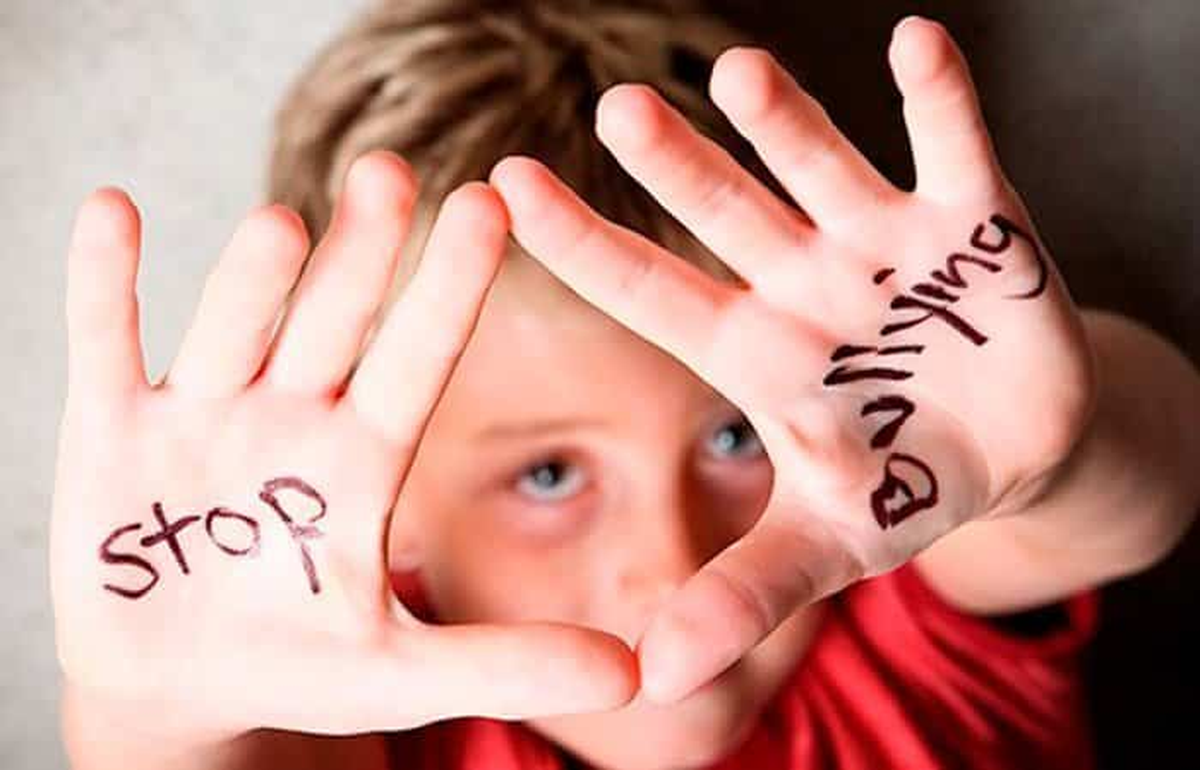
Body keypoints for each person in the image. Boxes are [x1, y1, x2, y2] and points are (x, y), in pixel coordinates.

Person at [50, 1, 1200, 769]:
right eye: (549, 473)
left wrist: (1058, 448)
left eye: (737, 437)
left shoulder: (905, 621)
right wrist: (152, 715)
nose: (673, 557)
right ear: (388, 511)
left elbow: (1133, 490)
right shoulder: (371, 719)